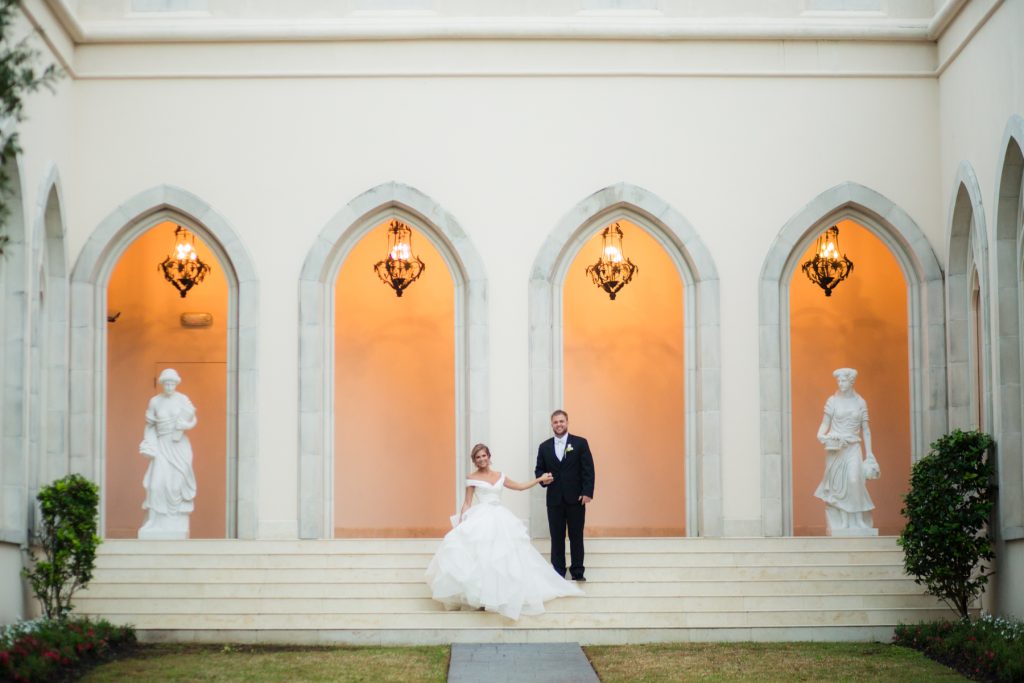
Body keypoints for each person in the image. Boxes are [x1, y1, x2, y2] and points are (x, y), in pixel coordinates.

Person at [426, 443, 582, 620]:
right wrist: (462, 521)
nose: (482, 459)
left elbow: (520, 487)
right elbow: (468, 502)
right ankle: (482, 598)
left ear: (489, 456)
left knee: (502, 558)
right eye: (478, 457)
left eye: (484, 455)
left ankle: (501, 596)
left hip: (501, 517)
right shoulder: (471, 478)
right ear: (474, 461)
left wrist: (539, 480)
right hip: (481, 517)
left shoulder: (500, 476)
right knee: (483, 558)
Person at [814, 367, 880, 532]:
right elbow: (824, 424)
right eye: (839, 380)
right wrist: (822, 435)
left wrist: (869, 453)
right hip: (836, 448)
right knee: (838, 485)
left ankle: (858, 519)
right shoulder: (832, 401)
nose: (840, 383)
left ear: (851, 382)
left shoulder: (860, 402)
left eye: (843, 380)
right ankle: (843, 521)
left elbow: (866, 429)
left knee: (854, 481)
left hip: (853, 447)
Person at [535, 410, 595, 581]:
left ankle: (577, 572)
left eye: (561, 421)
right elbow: (539, 470)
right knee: (557, 536)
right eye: (555, 422)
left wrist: (587, 492)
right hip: (554, 500)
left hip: (576, 499)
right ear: (551, 424)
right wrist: (543, 479)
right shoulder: (544, 446)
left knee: (576, 536)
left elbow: (588, 470)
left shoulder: (581, 443)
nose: (559, 424)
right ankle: (558, 572)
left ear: (567, 422)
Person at [139, 368, 198, 538]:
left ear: (177, 383)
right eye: (166, 383)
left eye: (172, 383)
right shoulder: (155, 401)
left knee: (175, 485)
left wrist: (185, 426)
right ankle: (154, 521)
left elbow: (192, 418)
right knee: (156, 483)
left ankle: (175, 522)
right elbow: (149, 426)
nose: (170, 386)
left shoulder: (183, 399)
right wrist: (149, 444)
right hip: (161, 444)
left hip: (179, 445)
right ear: (162, 384)